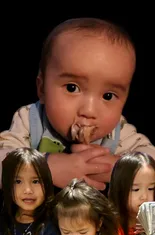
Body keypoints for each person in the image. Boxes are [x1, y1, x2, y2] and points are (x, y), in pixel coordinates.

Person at [0, 17, 154, 193]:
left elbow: (151, 160)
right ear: (42, 88)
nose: (88, 111)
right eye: (72, 88)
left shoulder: (118, 133)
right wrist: (45, 168)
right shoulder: (31, 120)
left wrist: (123, 168)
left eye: (108, 96)